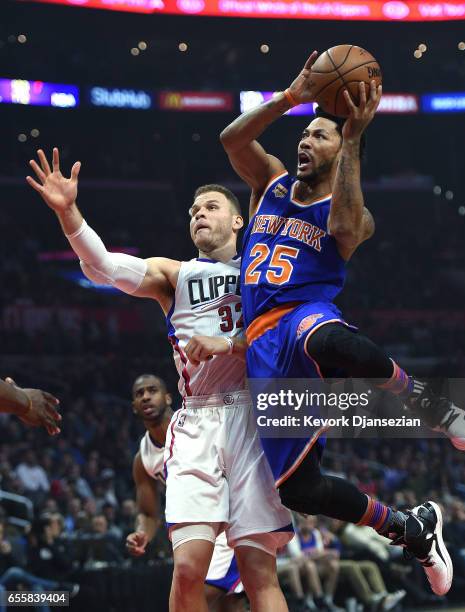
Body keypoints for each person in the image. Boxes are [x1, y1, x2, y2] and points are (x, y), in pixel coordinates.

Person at [219, 51, 465, 596]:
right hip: (263, 342)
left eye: (320, 136)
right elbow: (232, 140)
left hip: (305, 313)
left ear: (341, 150)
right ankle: (410, 529)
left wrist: (355, 138)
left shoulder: (354, 210)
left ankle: (426, 402)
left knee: (329, 337)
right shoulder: (269, 182)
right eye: (304, 135)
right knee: (299, 489)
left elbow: (343, 225)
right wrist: (291, 98)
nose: (305, 141)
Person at [27, 148, 292, 612]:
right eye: (193, 211)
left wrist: (228, 344)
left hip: (254, 419)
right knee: (188, 568)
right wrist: (69, 213)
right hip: (198, 420)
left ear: (237, 223)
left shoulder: (264, 275)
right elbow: (104, 267)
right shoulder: (176, 273)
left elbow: (288, 343)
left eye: (210, 207)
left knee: (258, 572)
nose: (198, 215)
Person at [126, 373, 246, 611]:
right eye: (140, 394)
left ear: (168, 397)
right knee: (227, 605)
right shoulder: (144, 459)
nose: (146, 397)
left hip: (228, 524)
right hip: (194, 533)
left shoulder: (197, 426)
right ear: (133, 407)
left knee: (190, 599)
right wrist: (142, 534)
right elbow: (149, 514)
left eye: (152, 390)